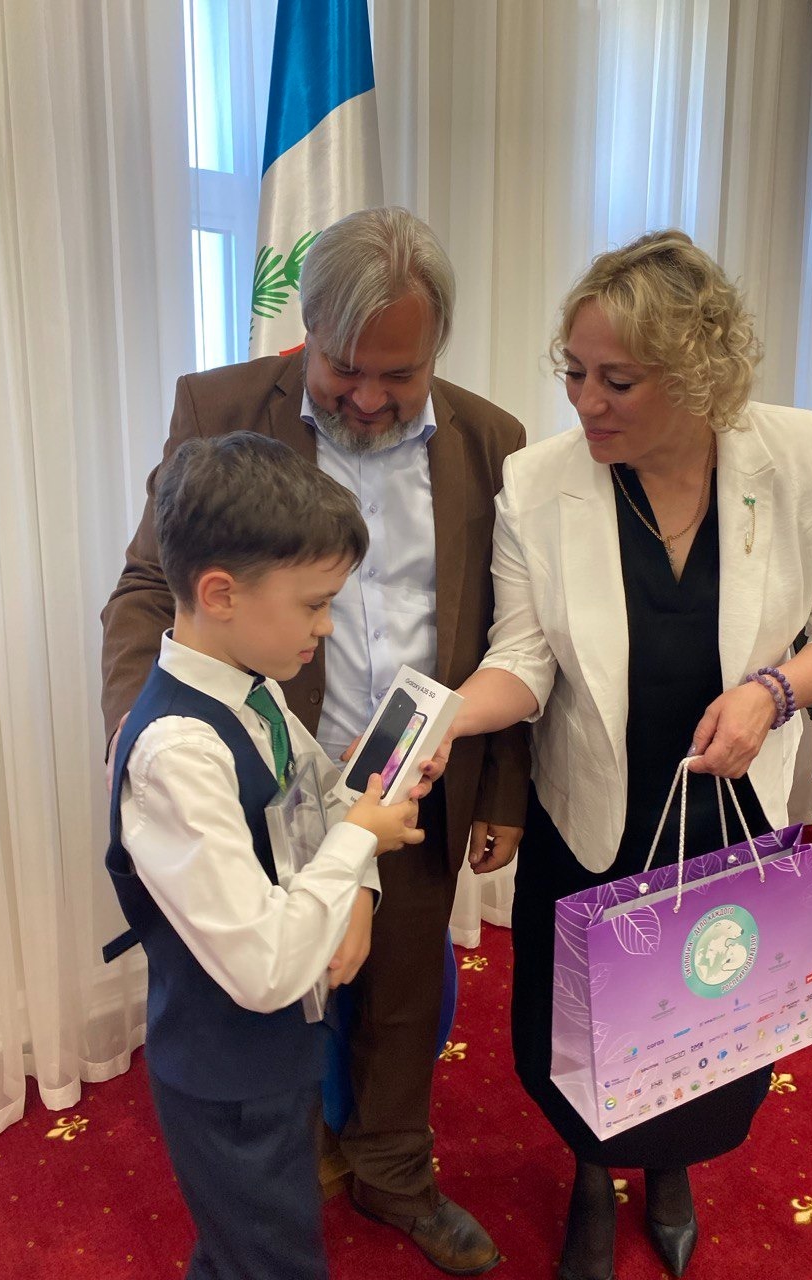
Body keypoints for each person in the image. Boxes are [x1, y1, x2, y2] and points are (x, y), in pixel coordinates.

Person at [447, 230, 812, 1280]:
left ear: (697, 375)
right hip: (596, 809)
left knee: (712, 1008)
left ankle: (672, 1164)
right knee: (583, 1027)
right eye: (574, 371)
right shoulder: (537, 483)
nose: (584, 402)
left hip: (733, 807)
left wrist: (774, 691)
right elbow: (523, 658)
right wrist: (450, 717)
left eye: (617, 380)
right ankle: (592, 1177)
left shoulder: (798, 454)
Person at [101, 206, 529, 1275]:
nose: (371, 397)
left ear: (438, 348)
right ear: (307, 332)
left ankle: (393, 1172)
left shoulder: (493, 440)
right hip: (250, 770)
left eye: (401, 374)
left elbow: (512, 630)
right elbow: (153, 584)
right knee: (268, 1000)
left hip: (411, 774)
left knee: (400, 996)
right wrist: (140, 746)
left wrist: (501, 792)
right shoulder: (219, 408)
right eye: (346, 369)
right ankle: (277, 1180)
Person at [106, 431, 427, 1280]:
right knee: (269, 1256)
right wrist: (360, 839)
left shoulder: (258, 692)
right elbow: (263, 969)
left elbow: (314, 796)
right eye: (315, 604)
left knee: (257, 1239)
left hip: (278, 1049)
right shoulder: (178, 753)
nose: (328, 627)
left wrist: (360, 823)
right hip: (229, 1072)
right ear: (220, 593)